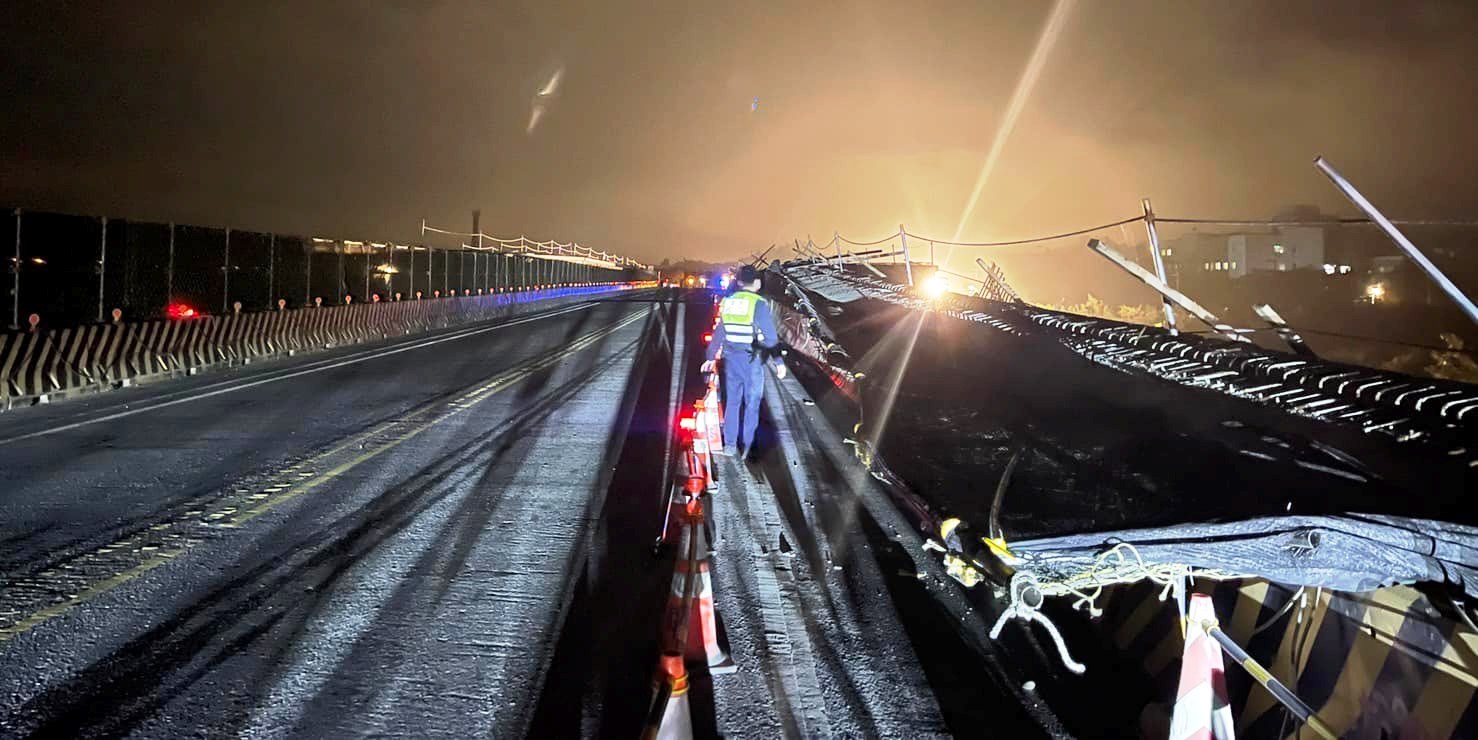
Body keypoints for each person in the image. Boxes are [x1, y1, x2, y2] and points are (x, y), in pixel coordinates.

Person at [701, 265, 787, 458]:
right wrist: (778, 361)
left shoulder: (729, 302)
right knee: (752, 403)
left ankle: (730, 445)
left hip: (731, 360)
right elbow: (771, 337)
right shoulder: (758, 303)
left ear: (739, 282)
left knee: (732, 402)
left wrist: (709, 356)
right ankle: (747, 446)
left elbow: (719, 332)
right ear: (756, 283)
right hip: (752, 361)